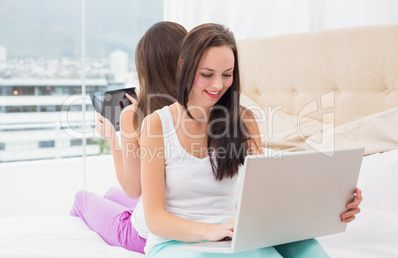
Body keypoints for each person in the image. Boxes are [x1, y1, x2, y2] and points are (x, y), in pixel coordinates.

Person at [138, 23, 363, 257]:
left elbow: (269, 191)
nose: (218, 85)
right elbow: (155, 218)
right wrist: (210, 231)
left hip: (238, 231)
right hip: (179, 241)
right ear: (184, 66)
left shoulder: (244, 120)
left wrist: (332, 203)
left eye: (227, 75)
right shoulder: (156, 125)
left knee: (311, 252)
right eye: (207, 74)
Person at [70, 21, 188, 254]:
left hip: (144, 236)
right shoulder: (200, 108)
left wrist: (114, 138)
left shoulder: (134, 117)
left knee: (81, 198)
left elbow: (133, 189)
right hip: (184, 220)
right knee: (110, 194)